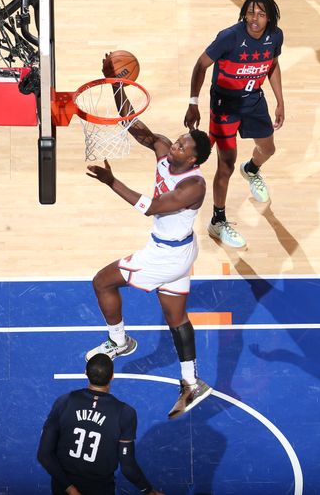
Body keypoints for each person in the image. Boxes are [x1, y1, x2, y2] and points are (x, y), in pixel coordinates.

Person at [85, 58, 213, 420]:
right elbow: (134, 126)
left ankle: (120, 341)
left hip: (165, 256)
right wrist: (115, 84)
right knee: (177, 317)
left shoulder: (193, 186)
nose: (176, 145)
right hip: (182, 252)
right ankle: (191, 382)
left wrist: (113, 183)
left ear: (194, 159)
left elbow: (153, 206)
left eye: (183, 146)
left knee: (102, 282)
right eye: (178, 141)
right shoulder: (163, 150)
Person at [184, 0, 285, 249]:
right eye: (251, 12)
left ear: (269, 18)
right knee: (225, 166)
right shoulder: (229, 36)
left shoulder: (276, 36)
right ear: (244, 13)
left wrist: (280, 100)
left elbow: (272, 65)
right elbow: (201, 65)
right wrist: (193, 103)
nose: (255, 18)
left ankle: (251, 169)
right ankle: (218, 220)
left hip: (254, 101)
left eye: (261, 14)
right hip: (225, 106)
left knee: (269, 149)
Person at [37, 354, 164, 495]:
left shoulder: (64, 401)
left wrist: (71, 490)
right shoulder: (125, 413)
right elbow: (128, 467)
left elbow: (44, 455)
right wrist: (148, 490)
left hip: (63, 489)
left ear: (86, 373)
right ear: (112, 377)